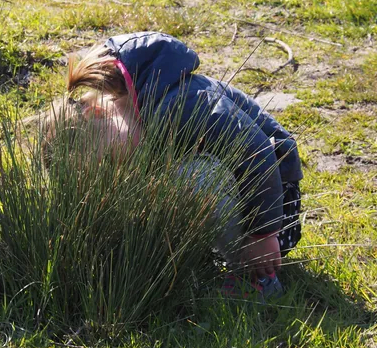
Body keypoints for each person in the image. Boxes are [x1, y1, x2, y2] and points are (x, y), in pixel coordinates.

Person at [47, 31, 303, 298]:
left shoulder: (179, 103)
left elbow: (258, 151)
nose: (118, 169)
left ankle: (256, 278)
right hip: (237, 200)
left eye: (109, 161)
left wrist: (262, 234)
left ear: (97, 114)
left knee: (194, 179)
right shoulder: (142, 116)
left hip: (272, 207)